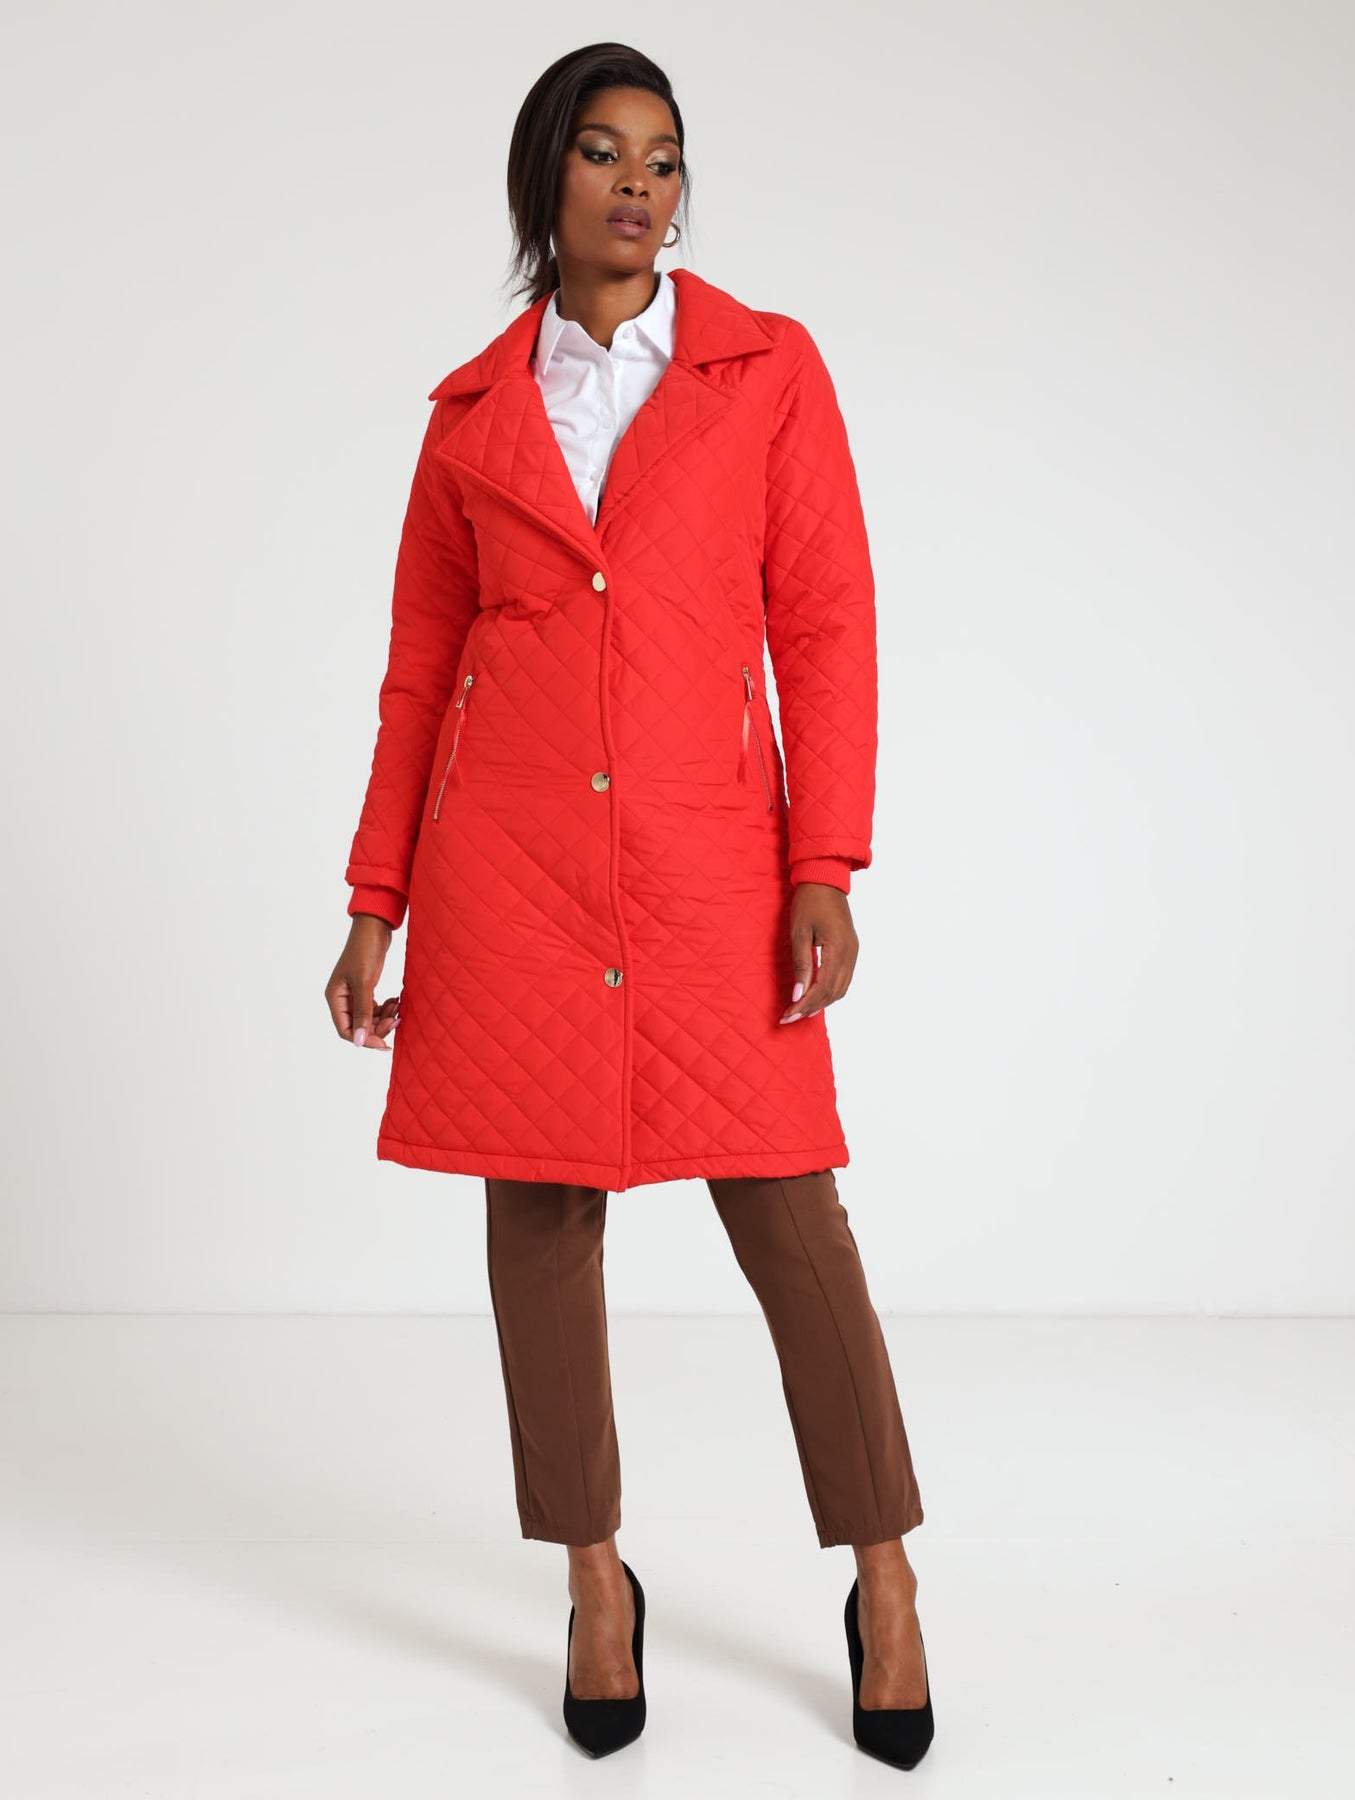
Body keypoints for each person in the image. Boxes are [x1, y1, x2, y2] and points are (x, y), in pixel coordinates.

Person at [325, 42, 934, 1769]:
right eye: (603, 154)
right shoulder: (471, 416)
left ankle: (886, 1575)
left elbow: (825, 624)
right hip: (511, 872)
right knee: (539, 1233)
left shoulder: (765, 371)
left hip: (707, 865)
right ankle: (595, 1578)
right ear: (547, 179)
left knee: (795, 1224)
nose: (640, 186)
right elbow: (418, 671)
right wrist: (376, 898)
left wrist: (824, 865)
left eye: (664, 158)